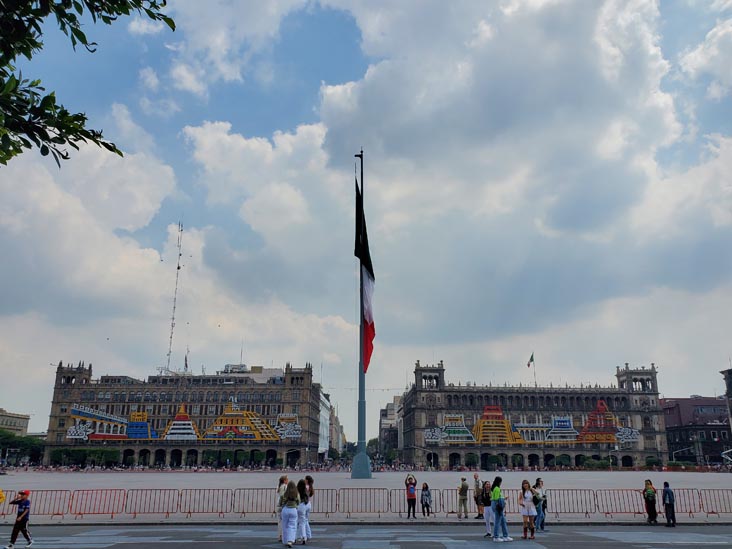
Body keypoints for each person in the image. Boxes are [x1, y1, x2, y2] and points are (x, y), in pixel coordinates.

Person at [490, 476, 512, 542]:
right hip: (498, 507)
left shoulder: (494, 488)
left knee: (503, 521)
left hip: (497, 506)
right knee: (498, 521)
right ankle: (496, 536)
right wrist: (500, 506)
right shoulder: (497, 489)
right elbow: (497, 499)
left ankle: (505, 535)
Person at [280, 480, 300, 548]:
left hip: (285, 509)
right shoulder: (297, 494)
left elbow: (281, 503)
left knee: (284, 525)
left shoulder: (284, 494)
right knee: (292, 526)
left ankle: (285, 540)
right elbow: (298, 502)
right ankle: (290, 540)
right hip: (293, 510)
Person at [295, 479, 311, 545]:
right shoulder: (306, 490)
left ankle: (303, 537)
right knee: (305, 521)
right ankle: (308, 535)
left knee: (300, 522)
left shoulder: (297, 491)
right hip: (308, 504)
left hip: (301, 505)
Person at [275, 475, 288, 542]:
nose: (287, 480)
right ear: (284, 480)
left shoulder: (278, 486)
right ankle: (284, 536)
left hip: (278, 503)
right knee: (285, 521)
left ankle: (280, 535)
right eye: (287, 479)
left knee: (279, 521)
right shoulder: (286, 486)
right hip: (284, 504)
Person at [304, 475, 314, 541]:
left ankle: (304, 535)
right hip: (309, 504)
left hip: (304, 504)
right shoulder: (310, 487)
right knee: (306, 520)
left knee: (302, 521)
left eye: (305, 479)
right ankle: (308, 534)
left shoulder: (305, 487)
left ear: (307, 480)